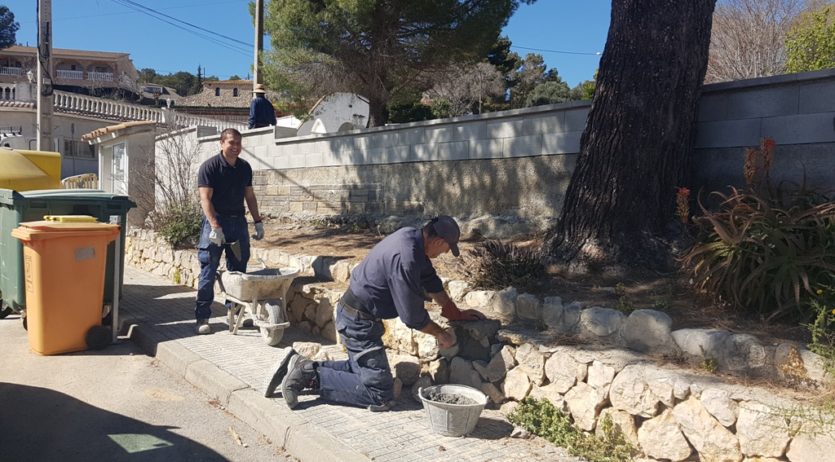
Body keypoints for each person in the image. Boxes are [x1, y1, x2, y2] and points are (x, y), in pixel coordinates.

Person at [264, 215, 485, 411]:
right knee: (380, 393)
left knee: (359, 372)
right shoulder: (406, 257)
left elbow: (431, 281)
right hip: (357, 321)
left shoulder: (411, 238)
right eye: (446, 249)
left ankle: (301, 366)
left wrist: (454, 313)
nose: (444, 254)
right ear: (438, 241)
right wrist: (440, 334)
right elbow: (412, 317)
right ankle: (309, 374)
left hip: (356, 315)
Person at [194, 128, 265, 334]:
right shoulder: (210, 167)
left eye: (238, 144)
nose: (235, 147)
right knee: (209, 269)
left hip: (238, 224)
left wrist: (258, 221)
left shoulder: (244, 168)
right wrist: (215, 226)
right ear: (221, 143)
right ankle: (202, 317)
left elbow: (250, 196)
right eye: (231, 143)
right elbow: (205, 199)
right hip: (215, 223)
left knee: (238, 271)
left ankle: (234, 314)